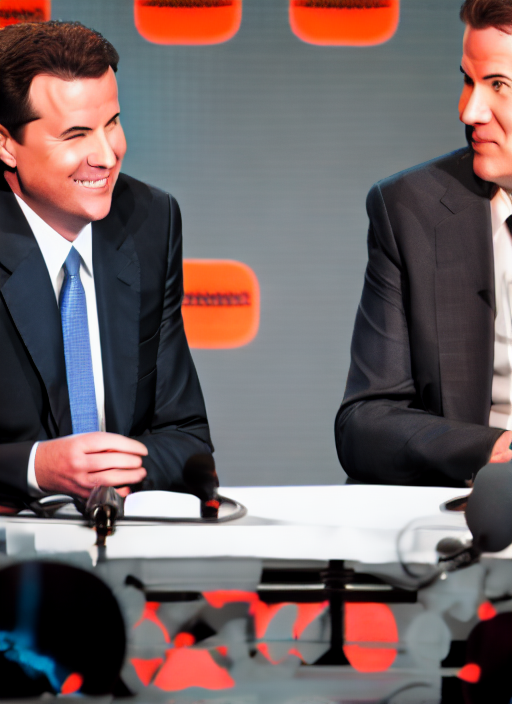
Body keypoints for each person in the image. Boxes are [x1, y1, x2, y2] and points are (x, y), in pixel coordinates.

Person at [0, 21, 213, 505]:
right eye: (76, 134)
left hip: (121, 532)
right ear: (6, 144)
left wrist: (111, 473)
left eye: (112, 123)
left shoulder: (150, 219)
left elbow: (187, 439)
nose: (107, 154)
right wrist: (36, 468)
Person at [336, 0, 512, 487]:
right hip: (474, 505)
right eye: (468, 81)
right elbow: (366, 424)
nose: (469, 110)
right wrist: (492, 450)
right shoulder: (410, 208)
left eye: (498, 85)